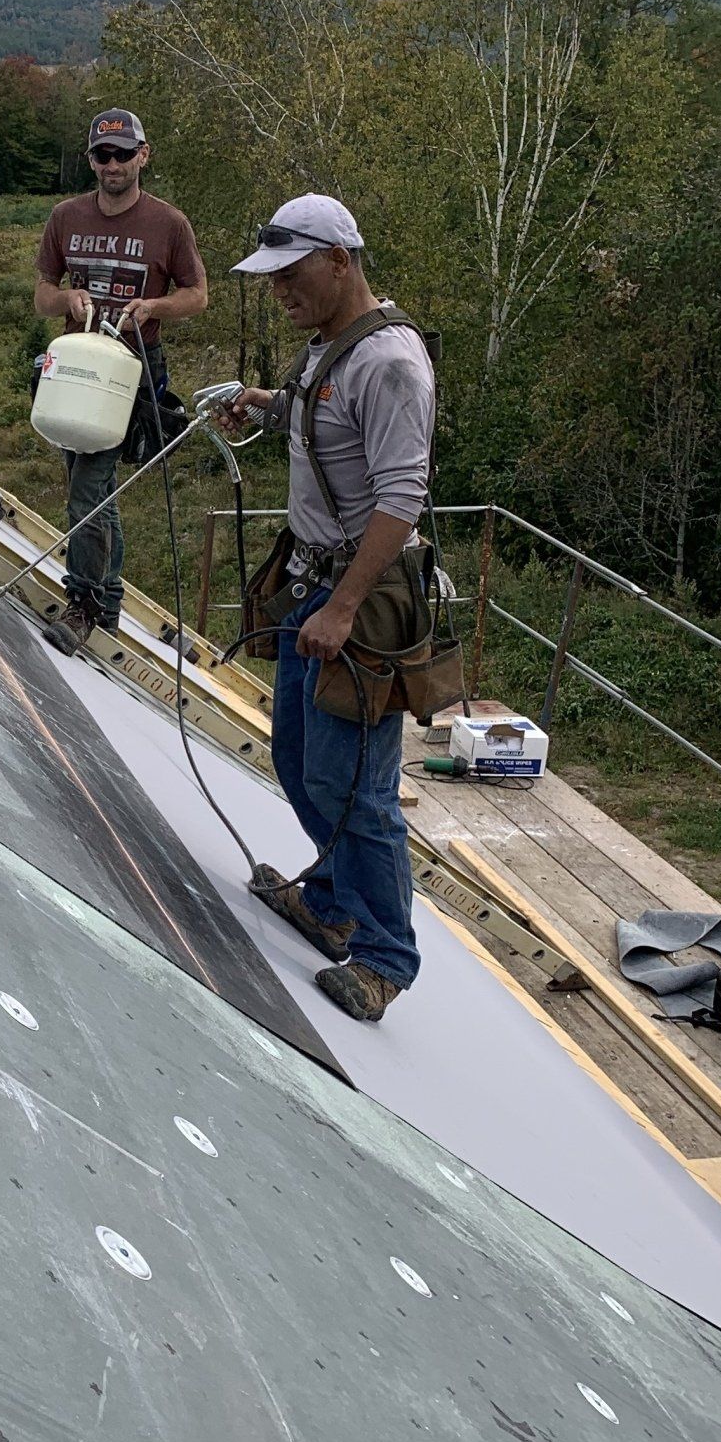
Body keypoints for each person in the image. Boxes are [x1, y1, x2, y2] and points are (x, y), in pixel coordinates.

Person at [221, 194, 436, 1024]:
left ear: (340, 260)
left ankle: (384, 958)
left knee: (358, 787)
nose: (280, 292)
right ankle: (334, 901)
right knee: (300, 757)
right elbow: (320, 414)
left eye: (291, 274)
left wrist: (344, 606)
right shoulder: (329, 351)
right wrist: (263, 401)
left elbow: (401, 495)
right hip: (314, 582)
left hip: (363, 599)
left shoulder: (391, 364)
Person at [33, 108, 207, 654]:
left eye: (123, 154)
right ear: (90, 159)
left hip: (132, 368)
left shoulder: (169, 224)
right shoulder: (66, 216)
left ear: (143, 156)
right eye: (102, 156)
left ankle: (81, 603)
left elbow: (198, 295)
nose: (113, 165)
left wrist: (153, 305)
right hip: (78, 362)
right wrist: (66, 298)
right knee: (95, 486)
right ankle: (108, 601)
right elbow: (43, 292)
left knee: (90, 484)